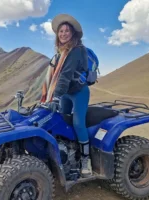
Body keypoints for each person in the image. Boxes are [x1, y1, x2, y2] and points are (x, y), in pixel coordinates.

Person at [40, 14, 92, 177]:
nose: (63, 34)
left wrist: (55, 97)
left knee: (77, 123)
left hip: (79, 92)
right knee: (60, 121)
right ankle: (69, 153)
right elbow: (52, 75)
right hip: (66, 93)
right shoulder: (60, 52)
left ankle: (86, 159)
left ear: (73, 33)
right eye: (60, 31)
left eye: (66, 31)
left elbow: (65, 75)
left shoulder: (76, 50)